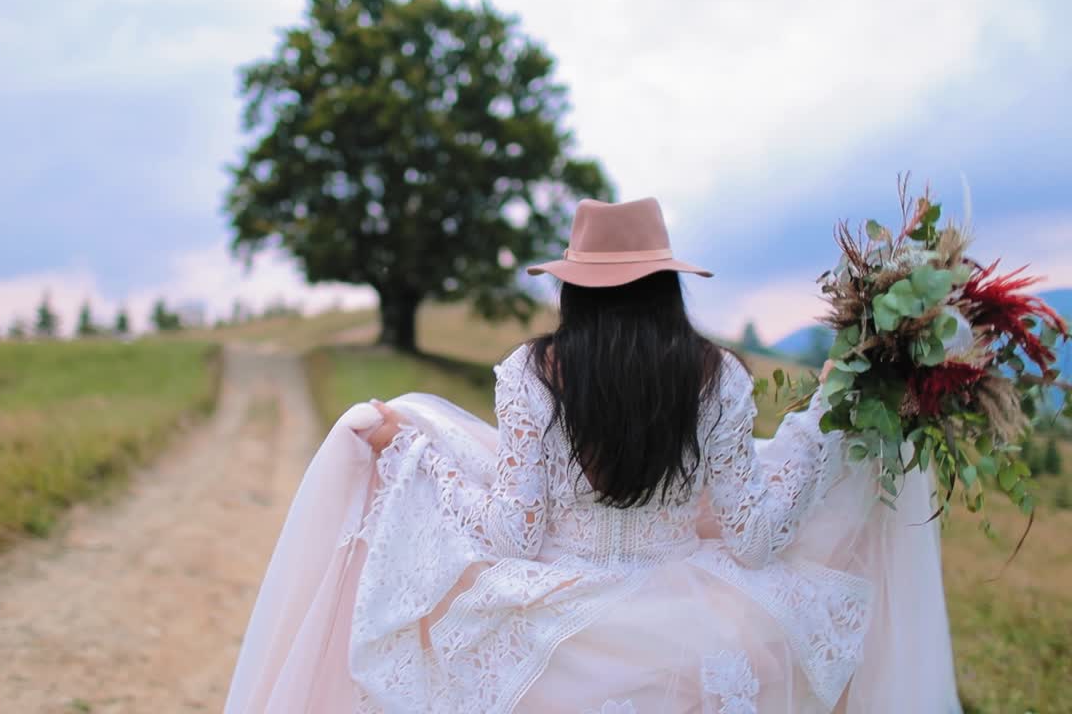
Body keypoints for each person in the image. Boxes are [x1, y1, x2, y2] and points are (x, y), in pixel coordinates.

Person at [225, 198, 959, 713]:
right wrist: (819, 432)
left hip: (556, 639)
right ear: (666, 284)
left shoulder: (531, 374)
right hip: (692, 625)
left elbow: (511, 534)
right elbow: (757, 540)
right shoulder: (717, 378)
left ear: (574, 286)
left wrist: (424, 458)